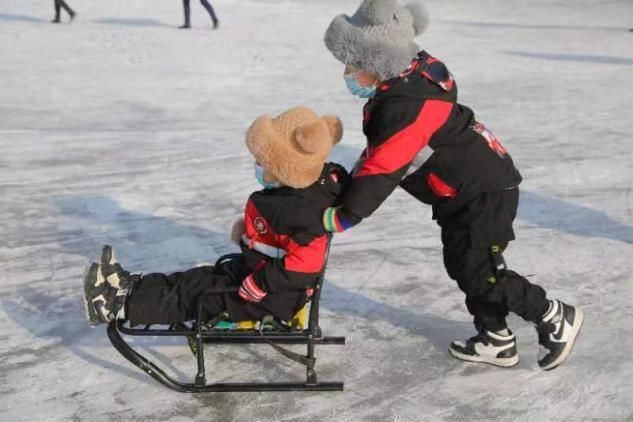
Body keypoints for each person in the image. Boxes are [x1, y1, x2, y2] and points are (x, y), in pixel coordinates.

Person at [321, 0, 583, 370]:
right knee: (464, 264)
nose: (348, 72)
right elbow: (380, 151)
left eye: (354, 64)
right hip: (463, 192)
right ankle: (495, 336)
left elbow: (384, 167)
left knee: (481, 271)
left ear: (379, 62)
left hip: (483, 192)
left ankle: (554, 315)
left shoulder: (406, 105)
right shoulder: (406, 84)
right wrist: (346, 184)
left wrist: (345, 215)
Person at [83, 106, 348, 327]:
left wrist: (260, 283)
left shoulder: (302, 212)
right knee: (196, 278)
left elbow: (305, 264)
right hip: (256, 274)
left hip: (271, 296)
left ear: (286, 169)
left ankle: (118, 306)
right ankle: (129, 287)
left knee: (195, 296)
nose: (257, 166)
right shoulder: (295, 197)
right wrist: (251, 237)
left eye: (262, 162)